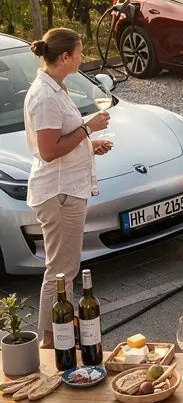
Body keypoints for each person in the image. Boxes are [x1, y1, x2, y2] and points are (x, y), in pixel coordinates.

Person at [23, 28, 111, 346]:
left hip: (66, 188)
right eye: (80, 52)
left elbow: (62, 140)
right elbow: (48, 151)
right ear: (65, 57)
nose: (82, 57)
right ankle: (51, 340)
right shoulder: (45, 96)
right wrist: (88, 127)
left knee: (66, 267)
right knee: (61, 269)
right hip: (59, 194)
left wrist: (89, 144)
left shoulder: (56, 88)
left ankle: (61, 333)